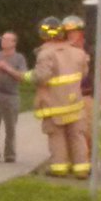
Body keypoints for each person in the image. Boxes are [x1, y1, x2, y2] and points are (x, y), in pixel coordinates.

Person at [25, 17, 91, 179]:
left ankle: (59, 167)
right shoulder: (78, 52)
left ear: (42, 34)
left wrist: (26, 76)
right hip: (75, 103)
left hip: (54, 105)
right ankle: (81, 169)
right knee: (77, 136)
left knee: (57, 136)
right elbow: (84, 74)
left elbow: (41, 77)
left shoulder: (45, 54)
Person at [63, 15, 101, 157]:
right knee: (69, 133)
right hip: (66, 98)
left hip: (86, 96)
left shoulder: (89, 51)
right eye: (67, 33)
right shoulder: (63, 51)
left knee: (88, 131)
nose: (70, 35)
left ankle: (91, 161)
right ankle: (73, 161)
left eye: (73, 32)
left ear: (81, 33)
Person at [0, 31, 27, 163]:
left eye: (7, 39)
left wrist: (7, 68)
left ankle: (10, 155)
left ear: (14, 43)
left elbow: (22, 77)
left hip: (12, 96)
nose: (3, 41)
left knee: (10, 128)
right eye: (3, 39)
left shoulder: (19, 58)